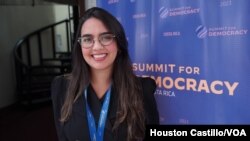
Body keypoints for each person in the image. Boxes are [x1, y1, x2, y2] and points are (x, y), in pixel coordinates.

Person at [51, 7, 159, 141]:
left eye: (106, 37)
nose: (96, 47)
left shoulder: (142, 89)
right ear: (80, 47)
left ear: (119, 44)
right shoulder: (61, 87)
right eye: (87, 39)